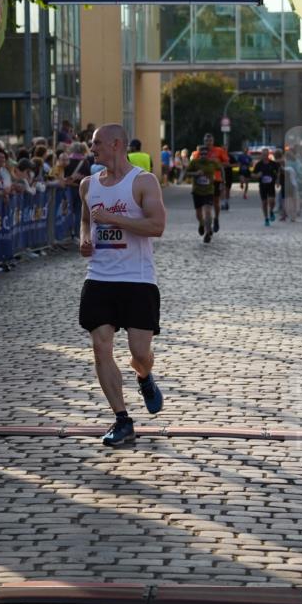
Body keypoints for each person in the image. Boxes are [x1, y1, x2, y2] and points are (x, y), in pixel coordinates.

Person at [79, 123, 166, 447]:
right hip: (99, 277)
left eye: (97, 143)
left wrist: (116, 220)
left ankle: (144, 376)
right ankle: (122, 419)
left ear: (116, 144)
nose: (93, 148)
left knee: (139, 353)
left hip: (138, 280)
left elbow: (157, 226)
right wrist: (85, 240)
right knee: (101, 345)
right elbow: (87, 220)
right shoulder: (88, 185)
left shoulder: (142, 182)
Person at [190, 133, 229, 232]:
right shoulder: (199, 152)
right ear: (204, 141)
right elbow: (193, 164)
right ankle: (204, 222)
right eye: (206, 141)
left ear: (213, 141)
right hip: (202, 182)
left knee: (216, 202)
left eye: (210, 141)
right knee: (203, 205)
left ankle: (216, 219)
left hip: (216, 180)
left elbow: (226, 163)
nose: (208, 143)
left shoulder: (219, 150)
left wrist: (216, 163)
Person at [189, 145, 220, 243]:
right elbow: (187, 173)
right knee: (199, 214)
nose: (203, 155)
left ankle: (207, 233)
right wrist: (195, 174)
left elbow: (221, 169)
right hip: (197, 191)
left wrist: (223, 182)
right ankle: (201, 223)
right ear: (199, 154)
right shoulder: (194, 163)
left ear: (208, 154)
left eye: (205, 154)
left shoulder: (213, 163)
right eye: (201, 154)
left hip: (209, 191)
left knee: (208, 211)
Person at [253, 148, 278, 226]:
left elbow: (278, 172)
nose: (265, 156)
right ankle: (266, 218)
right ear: (261, 155)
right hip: (262, 185)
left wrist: (278, 181)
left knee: (272, 201)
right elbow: (253, 174)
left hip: (271, 185)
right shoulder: (258, 164)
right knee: (264, 203)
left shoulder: (273, 164)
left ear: (268, 155)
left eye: (266, 154)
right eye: (263, 154)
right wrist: (257, 175)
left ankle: (271, 211)